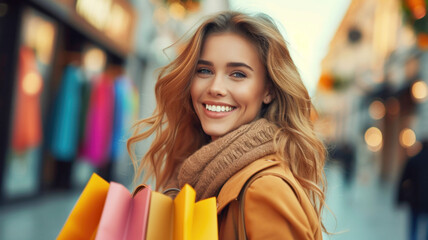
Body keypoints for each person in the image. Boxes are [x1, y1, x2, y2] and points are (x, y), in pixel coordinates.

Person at [128, 11, 327, 239]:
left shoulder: (264, 189)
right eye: (204, 70)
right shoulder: (196, 168)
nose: (215, 87)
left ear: (268, 90)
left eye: (237, 74)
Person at [397, 140, 428, 240]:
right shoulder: (414, 160)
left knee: (413, 225)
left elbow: (403, 179)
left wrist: (399, 198)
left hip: (415, 199)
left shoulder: (414, 159)